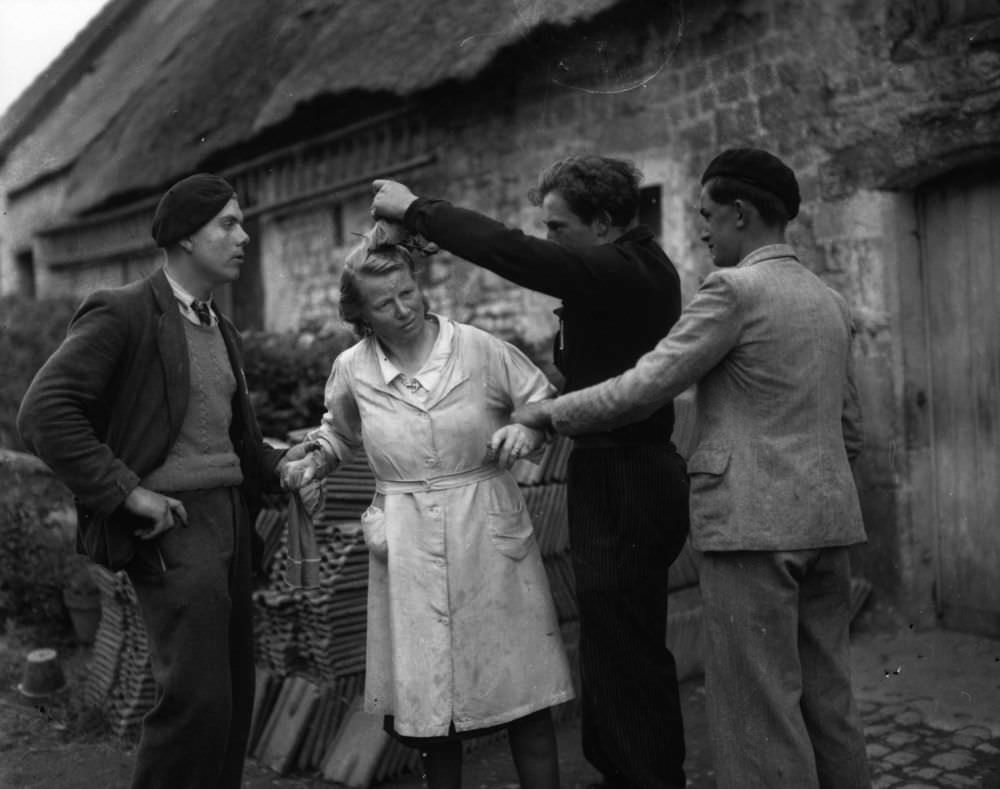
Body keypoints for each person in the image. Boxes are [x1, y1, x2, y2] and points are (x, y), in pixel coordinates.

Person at [513, 148, 872, 789]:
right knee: (829, 704)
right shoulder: (828, 300)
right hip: (830, 525)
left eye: (707, 215)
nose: (701, 230)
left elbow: (645, 386)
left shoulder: (733, 291)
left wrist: (546, 415)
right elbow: (850, 430)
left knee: (760, 718)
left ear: (741, 213)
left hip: (751, 533)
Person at [372, 155, 690, 789]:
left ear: (602, 224)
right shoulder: (625, 266)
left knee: (625, 647)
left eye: (559, 227)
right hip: (618, 472)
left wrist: (415, 209)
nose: (550, 240)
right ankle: (630, 773)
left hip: (628, 475)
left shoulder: (624, 270)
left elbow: (513, 254)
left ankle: (647, 779)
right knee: (616, 641)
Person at [17, 173, 293, 789]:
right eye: (228, 223)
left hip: (230, 522)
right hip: (173, 527)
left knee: (229, 700)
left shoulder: (220, 330)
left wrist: (284, 467)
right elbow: (43, 412)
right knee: (195, 703)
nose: (243, 236)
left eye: (241, 222)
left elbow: (238, 445)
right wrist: (125, 491)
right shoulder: (125, 312)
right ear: (184, 238)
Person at [280, 221, 575, 789]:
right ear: (361, 316)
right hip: (408, 539)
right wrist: (312, 460)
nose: (403, 309)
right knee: (432, 712)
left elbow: (542, 405)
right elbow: (337, 435)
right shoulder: (354, 370)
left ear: (420, 286)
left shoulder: (479, 349)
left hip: (487, 530)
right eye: (384, 304)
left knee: (525, 693)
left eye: (408, 293)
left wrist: (526, 433)